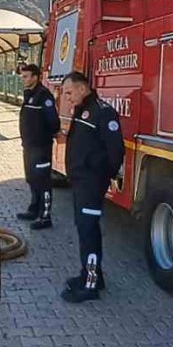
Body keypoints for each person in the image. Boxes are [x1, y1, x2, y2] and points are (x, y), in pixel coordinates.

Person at [58, 71, 125, 304]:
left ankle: (90, 286)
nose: (67, 98)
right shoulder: (84, 110)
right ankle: (91, 274)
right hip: (81, 183)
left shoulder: (103, 112)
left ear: (82, 88)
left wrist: (99, 178)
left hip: (91, 184)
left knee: (88, 232)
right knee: (84, 229)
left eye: (68, 92)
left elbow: (116, 152)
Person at [16, 63, 60, 230]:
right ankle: (33, 209)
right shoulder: (29, 94)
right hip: (28, 146)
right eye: (22, 77)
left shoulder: (44, 96)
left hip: (40, 147)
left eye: (26, 76)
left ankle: (45, 216)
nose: (23, 80)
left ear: (35, 77)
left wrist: (44, 135)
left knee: (43, 181)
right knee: (31, 179)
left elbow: (53, 122)